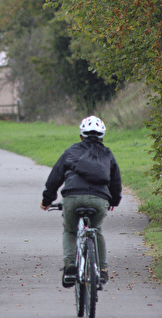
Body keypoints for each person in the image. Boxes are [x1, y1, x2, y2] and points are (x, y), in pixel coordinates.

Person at [40, 116, 122, 288]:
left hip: (73, 197)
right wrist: (114, 200)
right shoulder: (107, 154)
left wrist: (47, 200)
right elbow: (116, 181)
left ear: (81, 136)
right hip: (99, 199)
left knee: (70, 231)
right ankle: (103, 270)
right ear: (102, 137)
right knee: (96, 229)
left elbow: (55, 177)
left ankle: (70, 265)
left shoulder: (70, 151)